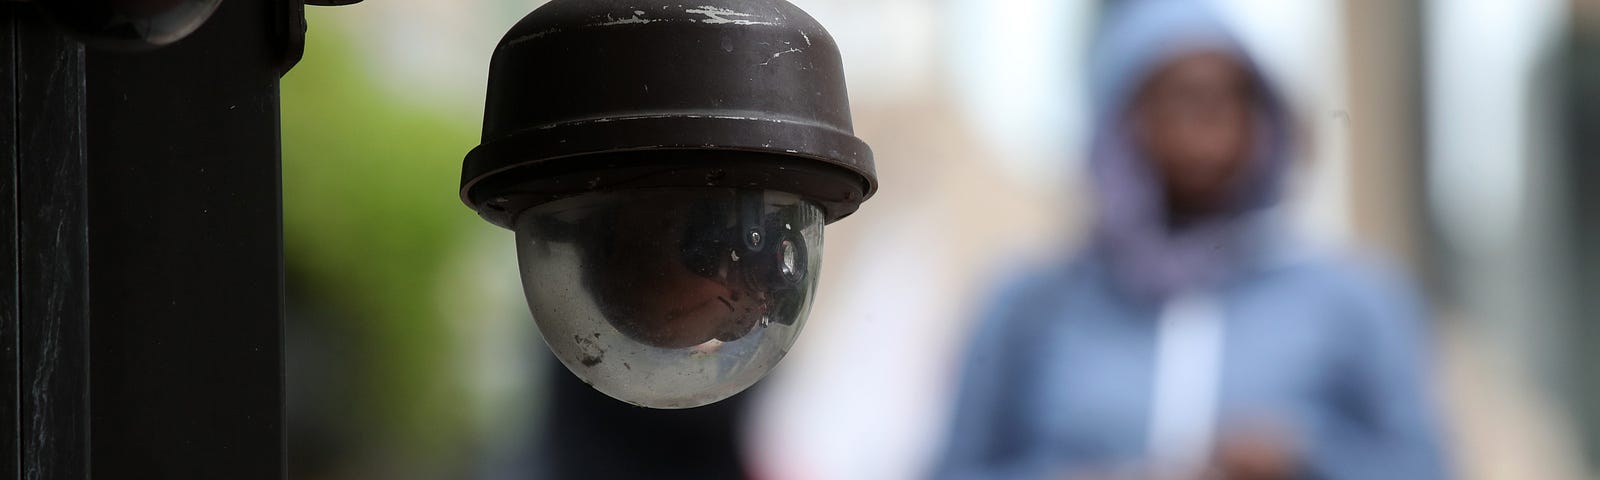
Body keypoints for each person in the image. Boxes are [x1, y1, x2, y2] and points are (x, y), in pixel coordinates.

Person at [933, 1, 1450, 479]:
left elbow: (1427, 469)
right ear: (1121, 121)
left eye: (1230, 99)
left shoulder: (1352, 301)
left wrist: (1304, 455)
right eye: (1179, 99)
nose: (1207, 128)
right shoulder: (1032, 305)